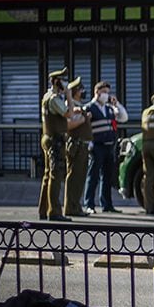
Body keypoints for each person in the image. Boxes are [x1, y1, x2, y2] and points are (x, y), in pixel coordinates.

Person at [84, 81, 128, 214]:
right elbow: (85, 128)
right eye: (104, 92)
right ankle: (89, 204)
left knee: (107, 177)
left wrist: (117, 104)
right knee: (93, 176)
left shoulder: (109, 108)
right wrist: (89, 144)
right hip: (97, 146)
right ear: (96, 92)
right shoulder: (89, 108)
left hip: (109, 146)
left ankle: (107, 205)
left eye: (108, 92)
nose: (106, 95)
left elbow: (124, 118)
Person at [37, 67, 74, 221]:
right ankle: (55, 212)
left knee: (47, 175)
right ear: (56, 82)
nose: (65, 83)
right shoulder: (54, 99)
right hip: (55, 141)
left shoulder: (47, 96)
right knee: (55, 175)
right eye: (63, 80)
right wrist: (69, 96)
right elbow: (69, 113)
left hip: (48, 137)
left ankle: (43, 209)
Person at [62, 76, 92, 217]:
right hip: (76, 145)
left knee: (80, 178)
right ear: (75, 91)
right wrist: (83, 118)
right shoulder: (70, 106)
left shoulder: (78, 105)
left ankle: (76, 205)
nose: (83, 91)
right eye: (81, 89)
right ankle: (71, 207)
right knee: (74, 177)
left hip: (83, 146)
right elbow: (68, 125)